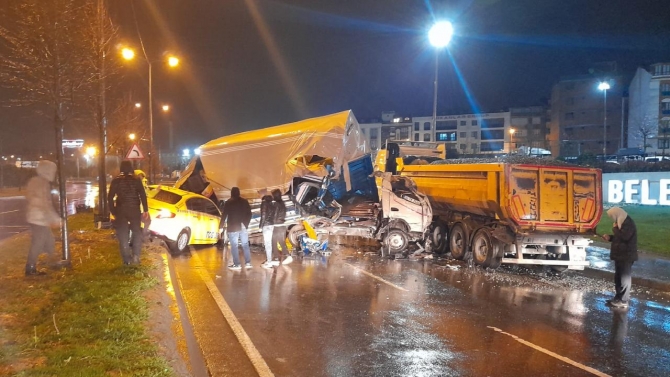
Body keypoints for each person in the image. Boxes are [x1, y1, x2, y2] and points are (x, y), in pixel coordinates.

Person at [108, 160, 149, 265]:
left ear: (121, 168)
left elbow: (110, 198)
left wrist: (114, 211)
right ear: (131, 168)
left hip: (121, 210)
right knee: (136, 232)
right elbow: (143, 195)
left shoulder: (116, 181)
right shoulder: (136, 180)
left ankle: (127, 260)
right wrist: (145, 210)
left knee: (123, 235)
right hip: (134, 210)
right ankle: (136, 257)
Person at [25, 160, 61, 276]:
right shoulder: (41, 183)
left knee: (49, 240)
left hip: (38, 218)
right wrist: (55, 219)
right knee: (38, 243)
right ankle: (30, 268)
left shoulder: (36, 181)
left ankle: (53, 261)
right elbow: (45, 204)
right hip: (38, 218)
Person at [601, 207, 638, 309]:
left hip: (626, 255)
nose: (613, 219)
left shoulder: (627, 222)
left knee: (624, 278)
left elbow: (625, 237)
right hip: (620, 255)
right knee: (618, 277)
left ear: (617, 214)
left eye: (612, 216)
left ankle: (623, 300)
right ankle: (618, 298)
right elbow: (620, 238)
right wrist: (610, 237)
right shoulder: (621, 222)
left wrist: (615, 228)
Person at [222, 187, 252, 270]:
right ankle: (248, 263)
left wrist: (220, 227)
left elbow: (224, 215)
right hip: (243, 226)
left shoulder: (228, 202)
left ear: (231, 193)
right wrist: (246, 224)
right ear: (239, 192)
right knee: (245, 245)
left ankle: (237, 264)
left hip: (233, 226)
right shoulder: (244, 201)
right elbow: (249, 213)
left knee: (234, 245)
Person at [270, 189, 292, 266]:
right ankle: (287, 256)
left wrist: (271, 222)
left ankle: (276, 258)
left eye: (272, 195)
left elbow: (275, 215)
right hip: (282, 225)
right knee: (281, 242)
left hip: (276, 225)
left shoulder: (276, 204)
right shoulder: (282, 203)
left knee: (274, 242)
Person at [258, 190, 274, 269]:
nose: (259, 196)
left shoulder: (264, 203)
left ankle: (269, 262)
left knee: (267, 244)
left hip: (266, 225)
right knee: (269, 244)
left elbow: (263, 215)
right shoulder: (271, 203)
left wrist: (260, 226)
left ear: (263, 194)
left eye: (259, 194)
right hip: (271, 225)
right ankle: (268, 260)